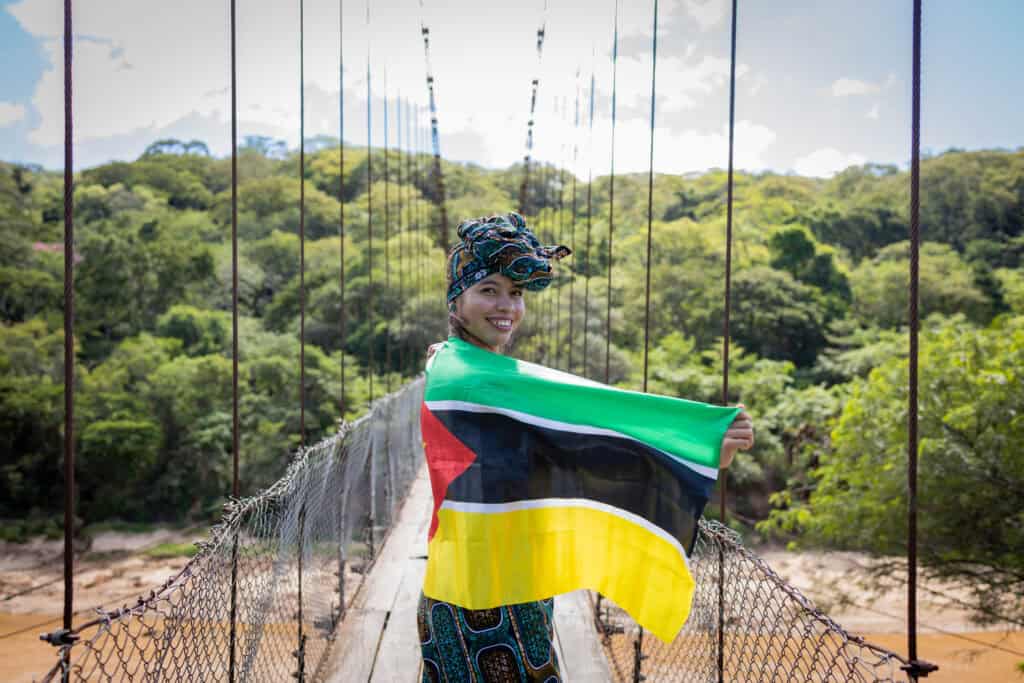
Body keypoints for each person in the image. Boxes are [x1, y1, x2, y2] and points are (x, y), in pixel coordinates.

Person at [417, 212, 754, 682]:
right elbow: (592, 421)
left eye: (516, 293)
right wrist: (693, 444)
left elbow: (567, 450)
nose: (507, 306)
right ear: (457, 298)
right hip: (483, 600)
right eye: (488, 290)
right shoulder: (473, 379)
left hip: (496, 581)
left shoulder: (453, 362)